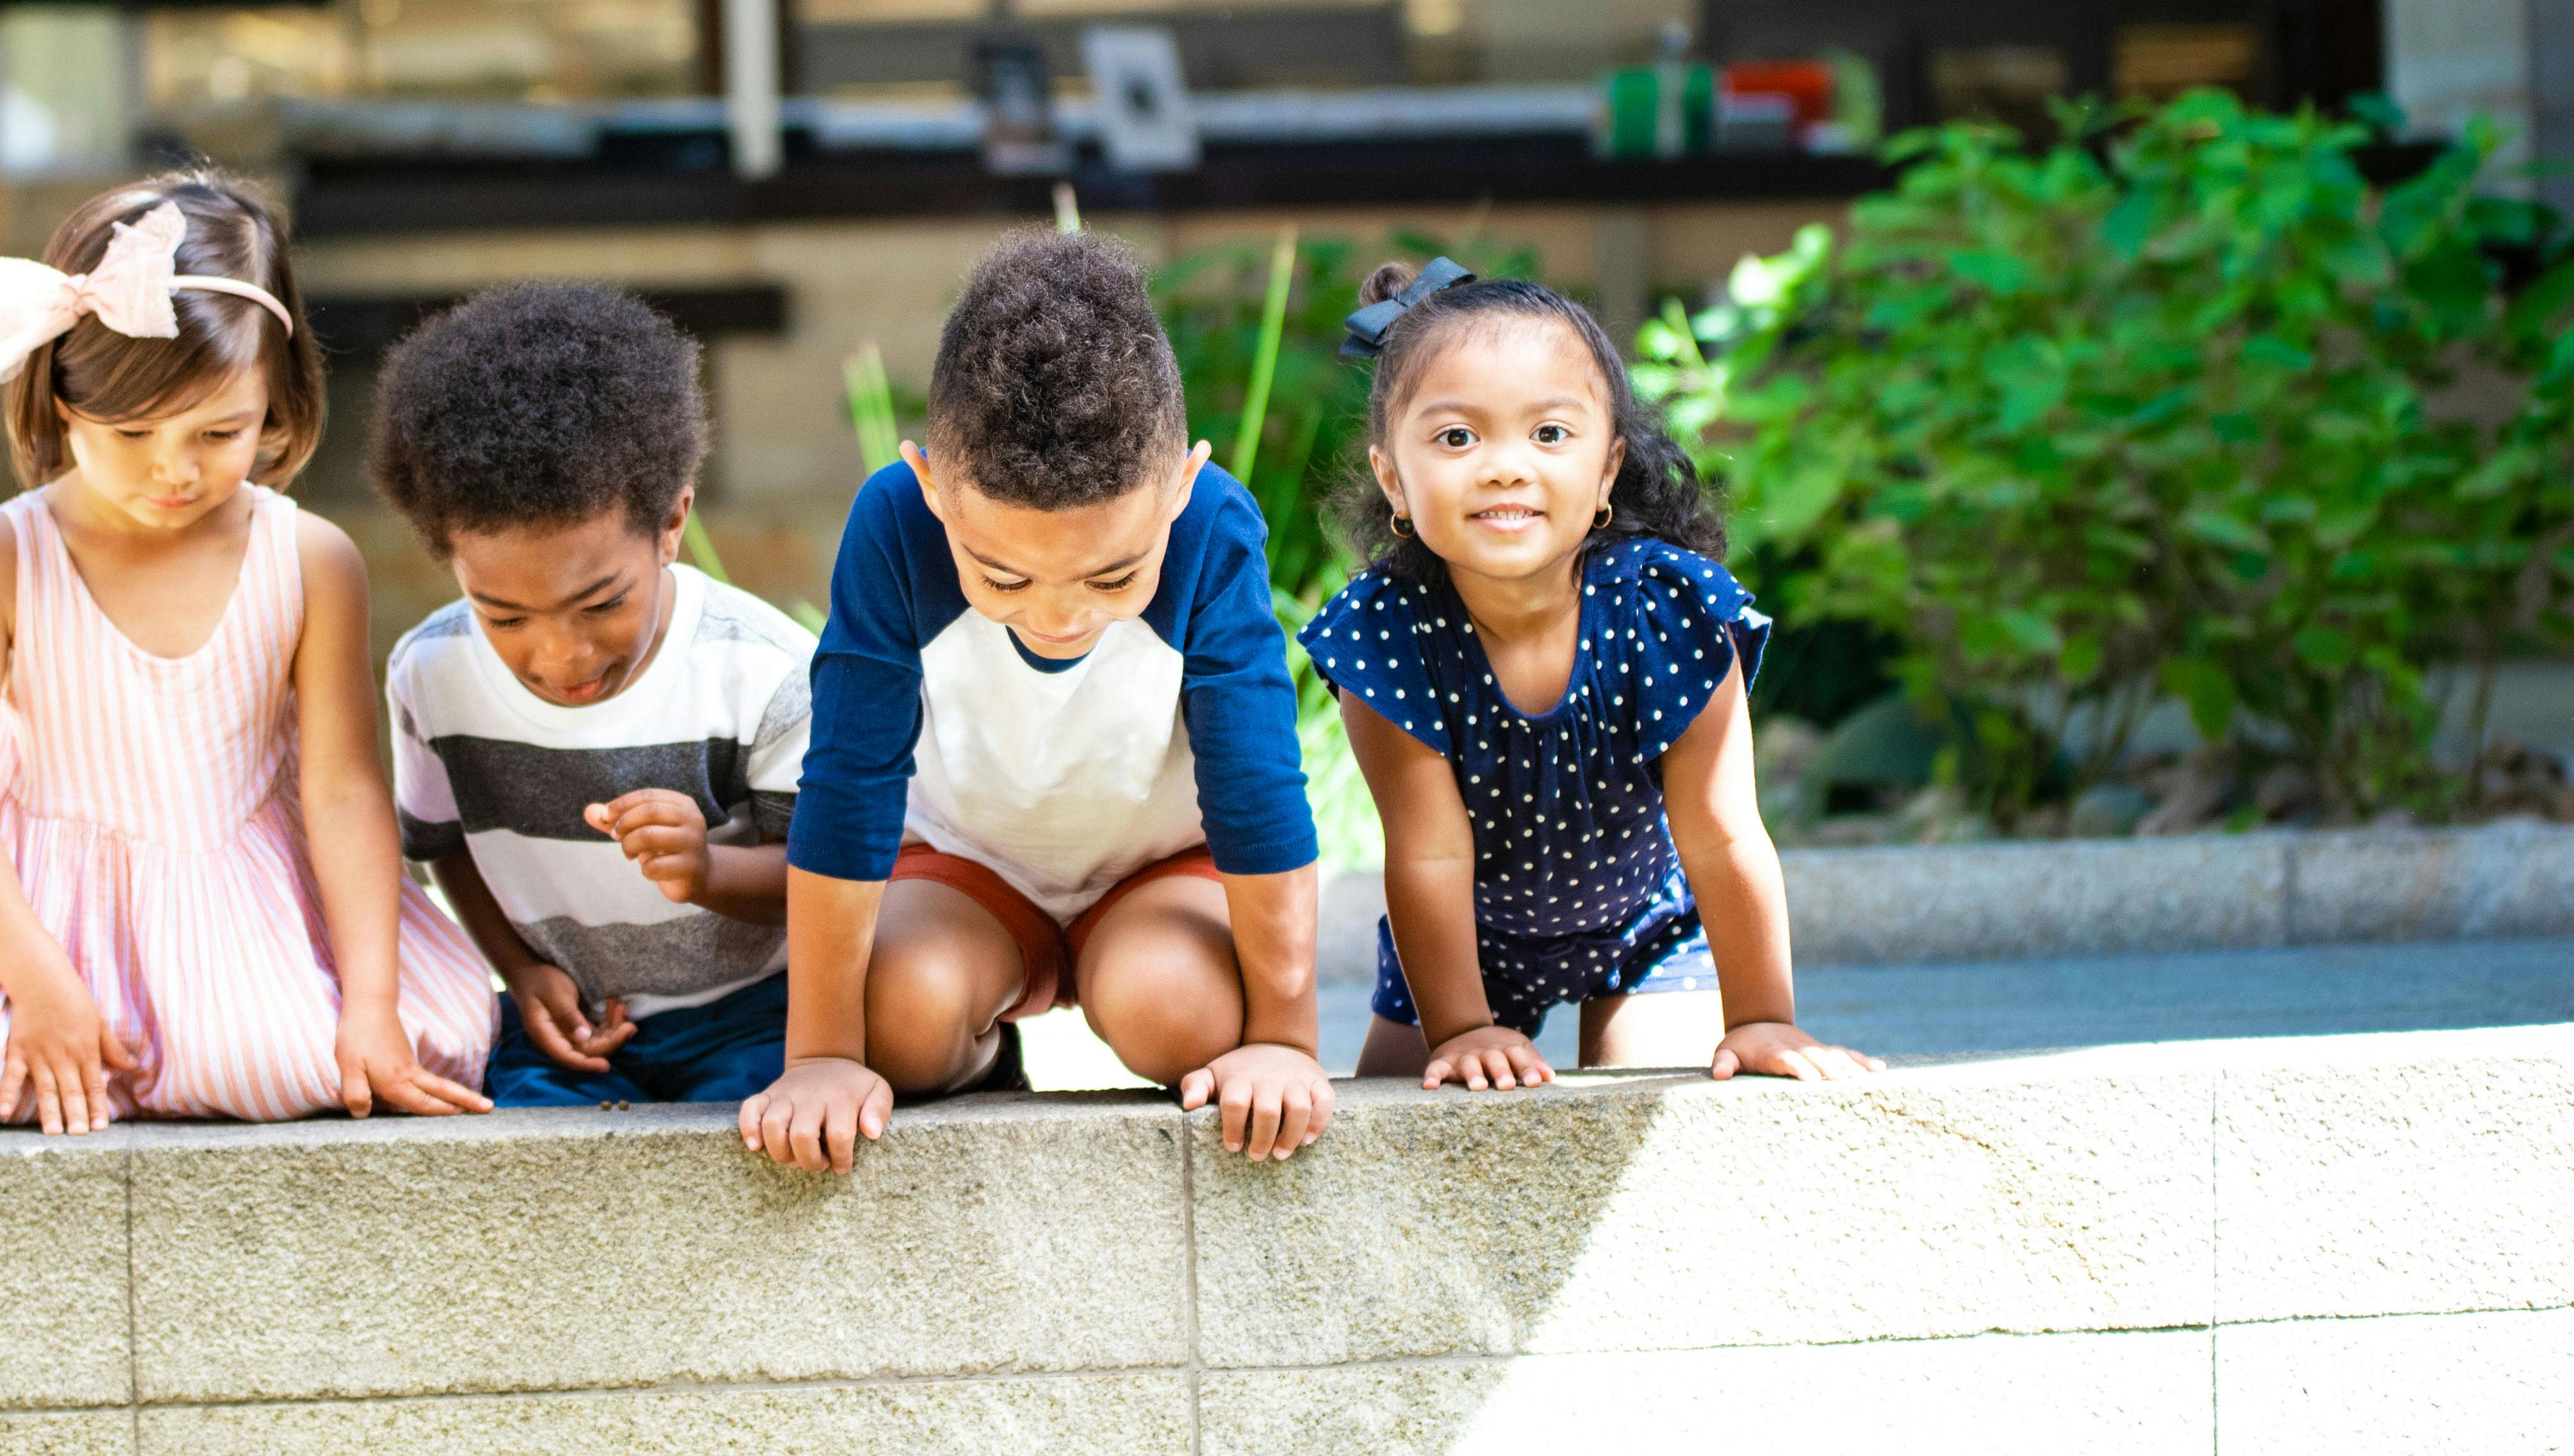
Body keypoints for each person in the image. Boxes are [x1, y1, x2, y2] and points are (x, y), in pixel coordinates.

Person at [0, 171, 496, 1135]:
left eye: (220, 432)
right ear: (60, 402)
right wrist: (42, 987)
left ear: (278, 402)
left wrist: (372, 1004)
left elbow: (343, 791)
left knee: (285, 1058)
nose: (174, 469)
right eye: (131, 432)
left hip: (242, 896)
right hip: (36, 904)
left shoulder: (307, 559)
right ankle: (68, 1019)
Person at [743, 230, 1332, 1174]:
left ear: (1179, 486)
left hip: (1157, 876)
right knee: (892, 1024)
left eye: (1114, 574)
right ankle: (983, 1053)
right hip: (969, 872)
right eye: (1002, 575)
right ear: (933, 485)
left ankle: (1145, 987)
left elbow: (1256, 785)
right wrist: (818, 1057)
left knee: (1180, 1014)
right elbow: (849, 782)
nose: (1060, 613)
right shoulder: (893, 523)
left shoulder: (1213, 527)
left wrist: (1287, 1042)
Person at [1306, 259, 1881, 1090]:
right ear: (1393, 478)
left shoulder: (1666, 611)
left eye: (1547, 433)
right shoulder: (1387, 635)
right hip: (1462, 939)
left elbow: (1721, 834)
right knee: (1407, 1127)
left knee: (1644, 1114)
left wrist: (1761, 1017)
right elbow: (1426, 856)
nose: (1504, 466)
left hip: (1643, 925)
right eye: (1456, 437)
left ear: (1606, 469)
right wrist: (1462, 1029)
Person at [370, 284, 814, 1108]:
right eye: (502, 614)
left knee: (749, 1147)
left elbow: (823, 871)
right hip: (569, 1025)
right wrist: (521, 969)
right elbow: (441, 845)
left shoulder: (766, 672)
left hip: (754, 1014)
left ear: (671, 522)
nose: (559, 654)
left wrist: (709, 869)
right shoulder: (431, 676)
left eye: (602, 601)